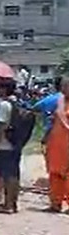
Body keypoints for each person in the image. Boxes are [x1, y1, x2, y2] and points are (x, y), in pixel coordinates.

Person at [0, 81, 32, 213]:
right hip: (16, 143)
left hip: (4, 144)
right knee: (14, 174)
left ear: (3, 89)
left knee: (6, 175)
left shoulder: (4, 105)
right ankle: (13, 203)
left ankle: (7, 205)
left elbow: (1, 127)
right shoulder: (19, 104)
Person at [44, 75, 69, 212]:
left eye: (67, 86)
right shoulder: (60, 102)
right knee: (54, 174)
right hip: (56, 144)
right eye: (63, 86)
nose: (64, 89)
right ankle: (55, 203)